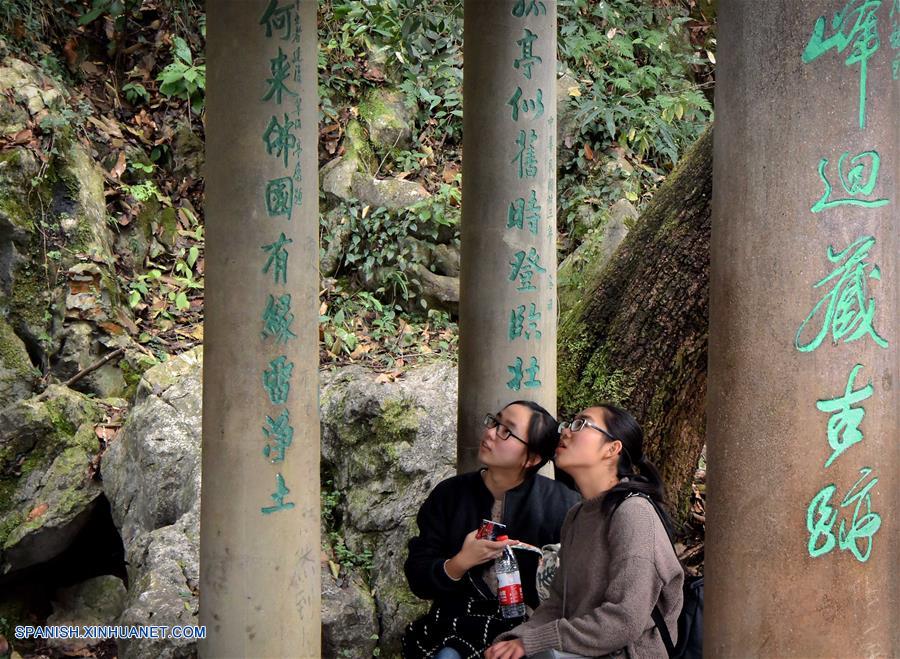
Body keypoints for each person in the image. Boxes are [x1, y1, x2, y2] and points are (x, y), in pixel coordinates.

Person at [486, 404, 684, 659]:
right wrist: (517, 639)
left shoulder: (633, 512)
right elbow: (558, 604)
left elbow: (625, 619)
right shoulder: (577, 516)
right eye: (568, 424)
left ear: (612, 449)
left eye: (581, 424)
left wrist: (535, 641)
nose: (566, 431)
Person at [402, 401, 581, 659]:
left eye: (506, 431)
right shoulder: (449, 494)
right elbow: (418, 577)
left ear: (532, 458)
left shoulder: (562, 504)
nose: (490, 433)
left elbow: (572, 591)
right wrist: (460, 562)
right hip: (456, 624)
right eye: (494, 422)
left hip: (528, 629)